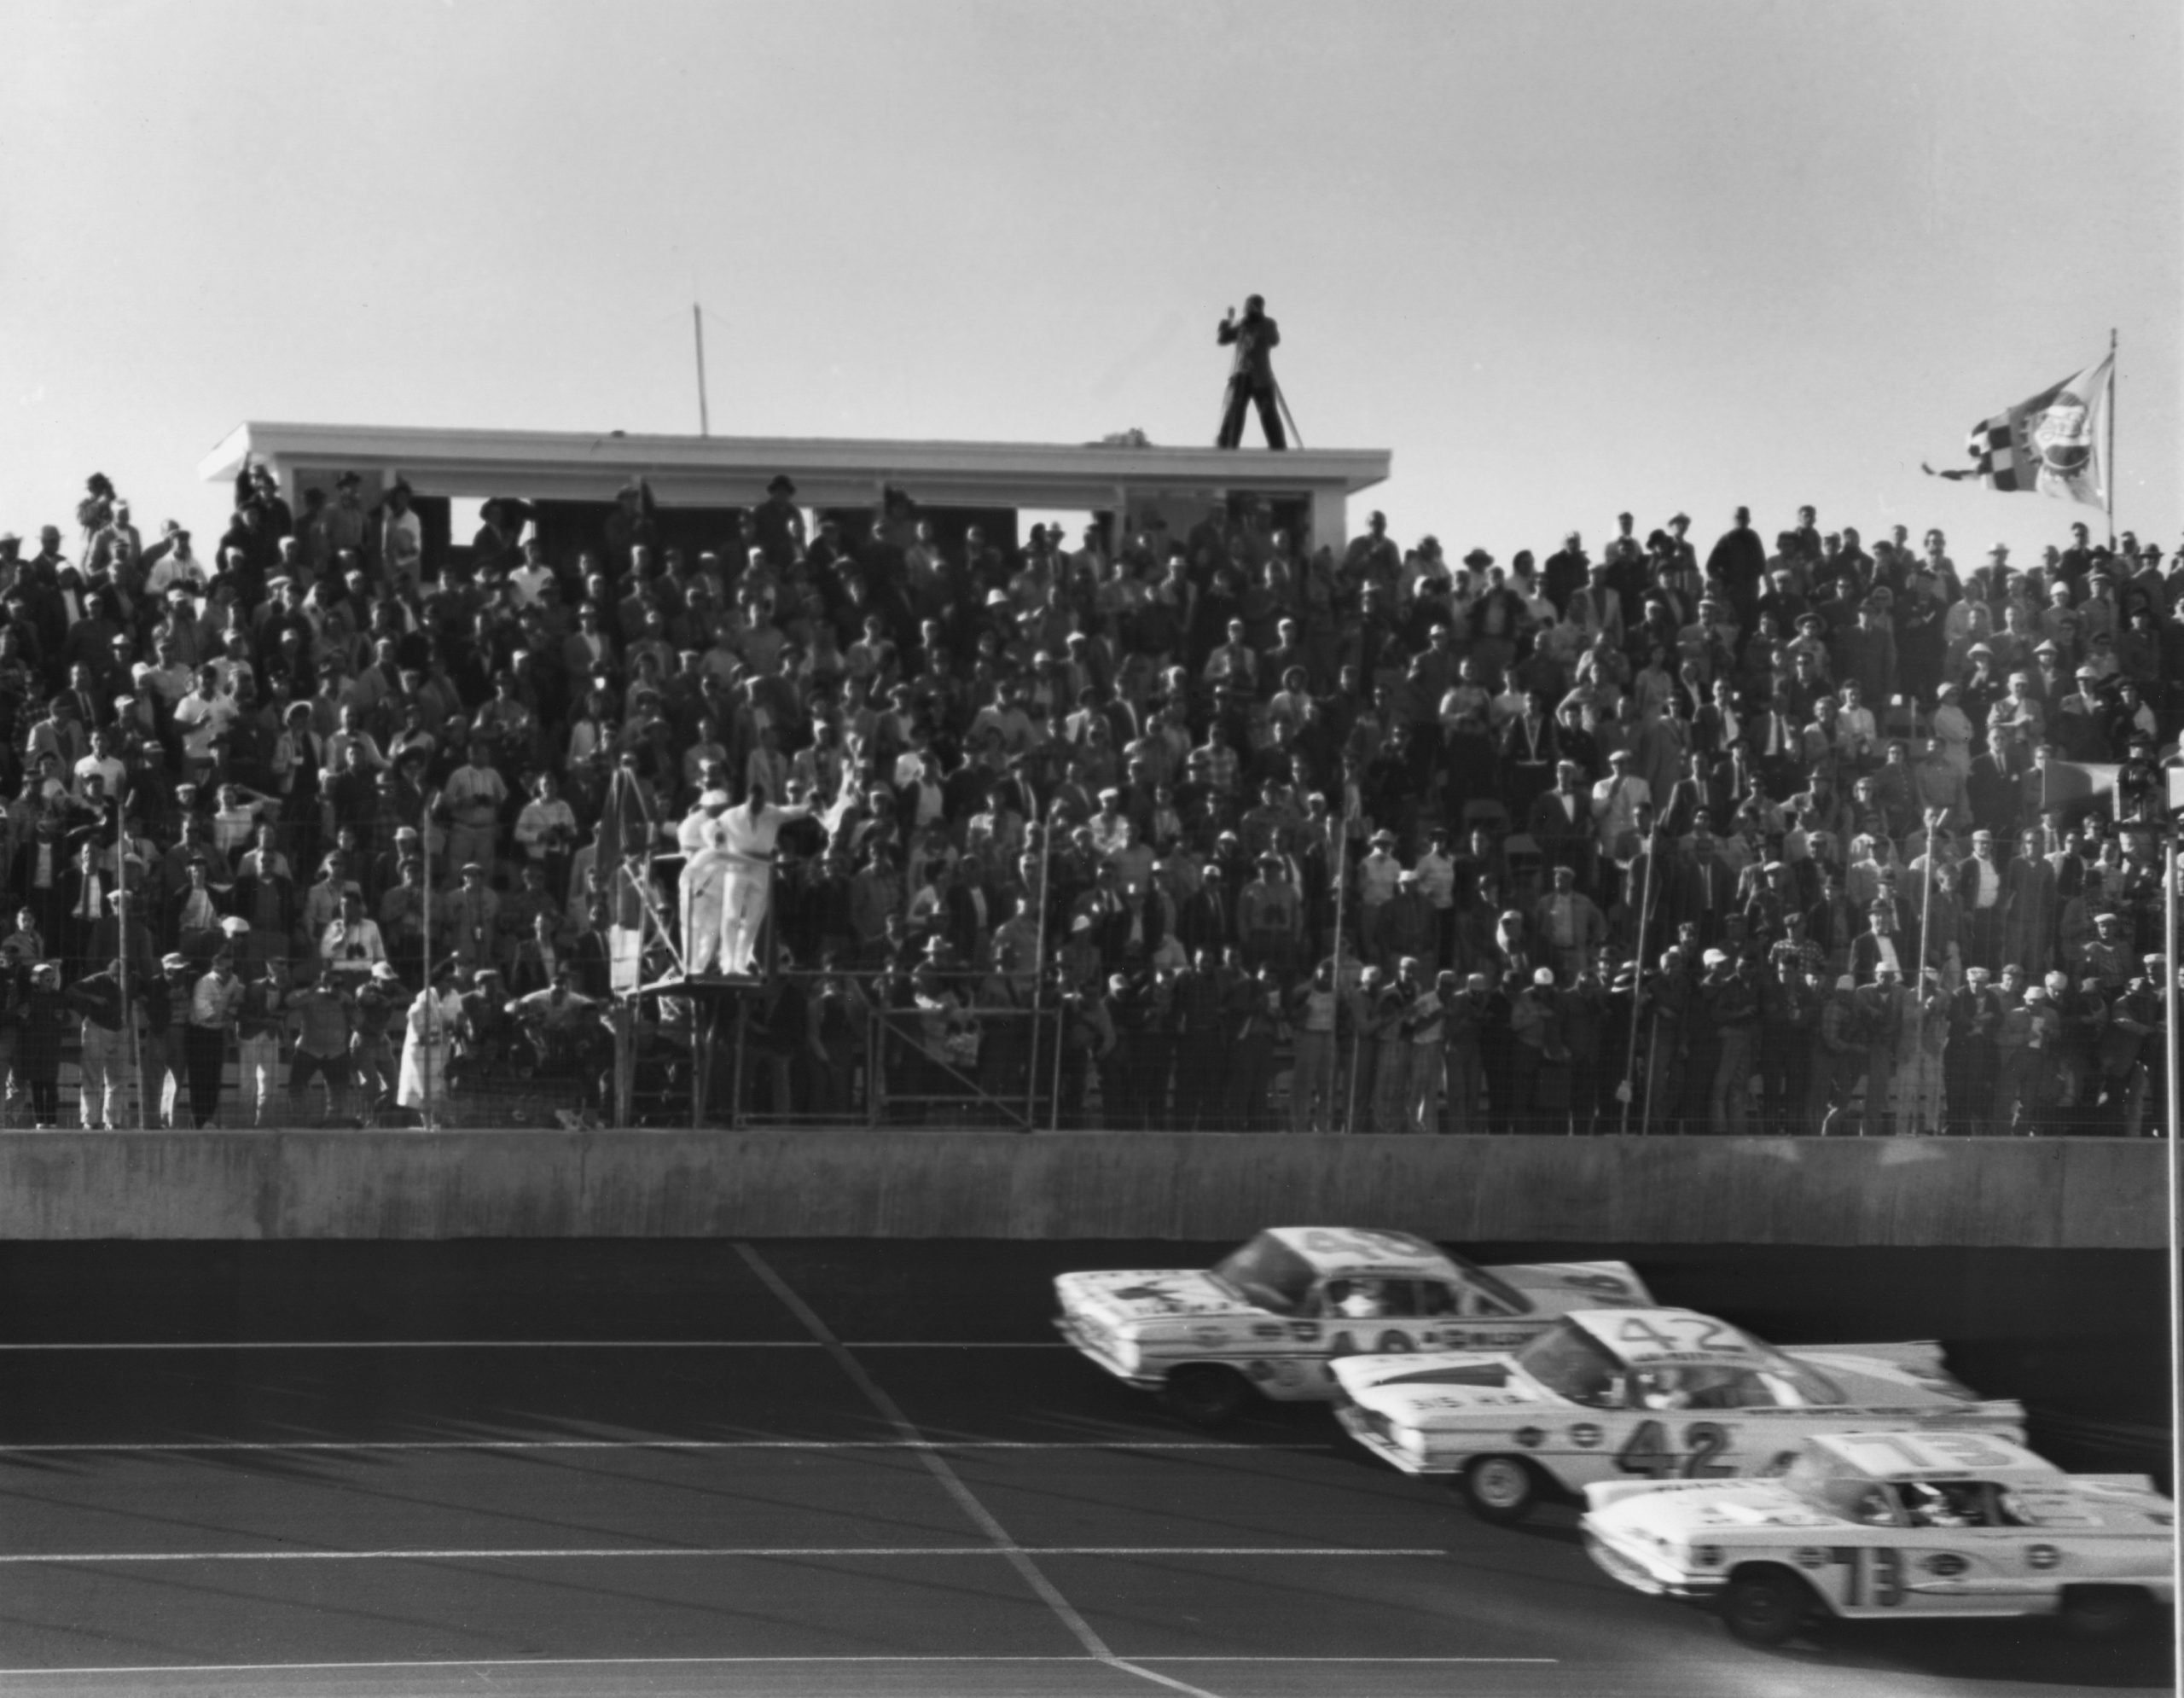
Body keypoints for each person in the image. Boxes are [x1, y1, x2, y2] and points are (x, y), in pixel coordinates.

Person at [1215, 295, 1286, 451]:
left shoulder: (1267, 324)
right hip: (1243, 374)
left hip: (1262, 375)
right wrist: (1228, 322)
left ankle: (1278, 448)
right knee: (1235, 411)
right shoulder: (1242, 326)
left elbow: (1274, 340)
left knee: (1268, 414)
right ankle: (1227, 445)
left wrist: (1252, 325)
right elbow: (1222, 339)